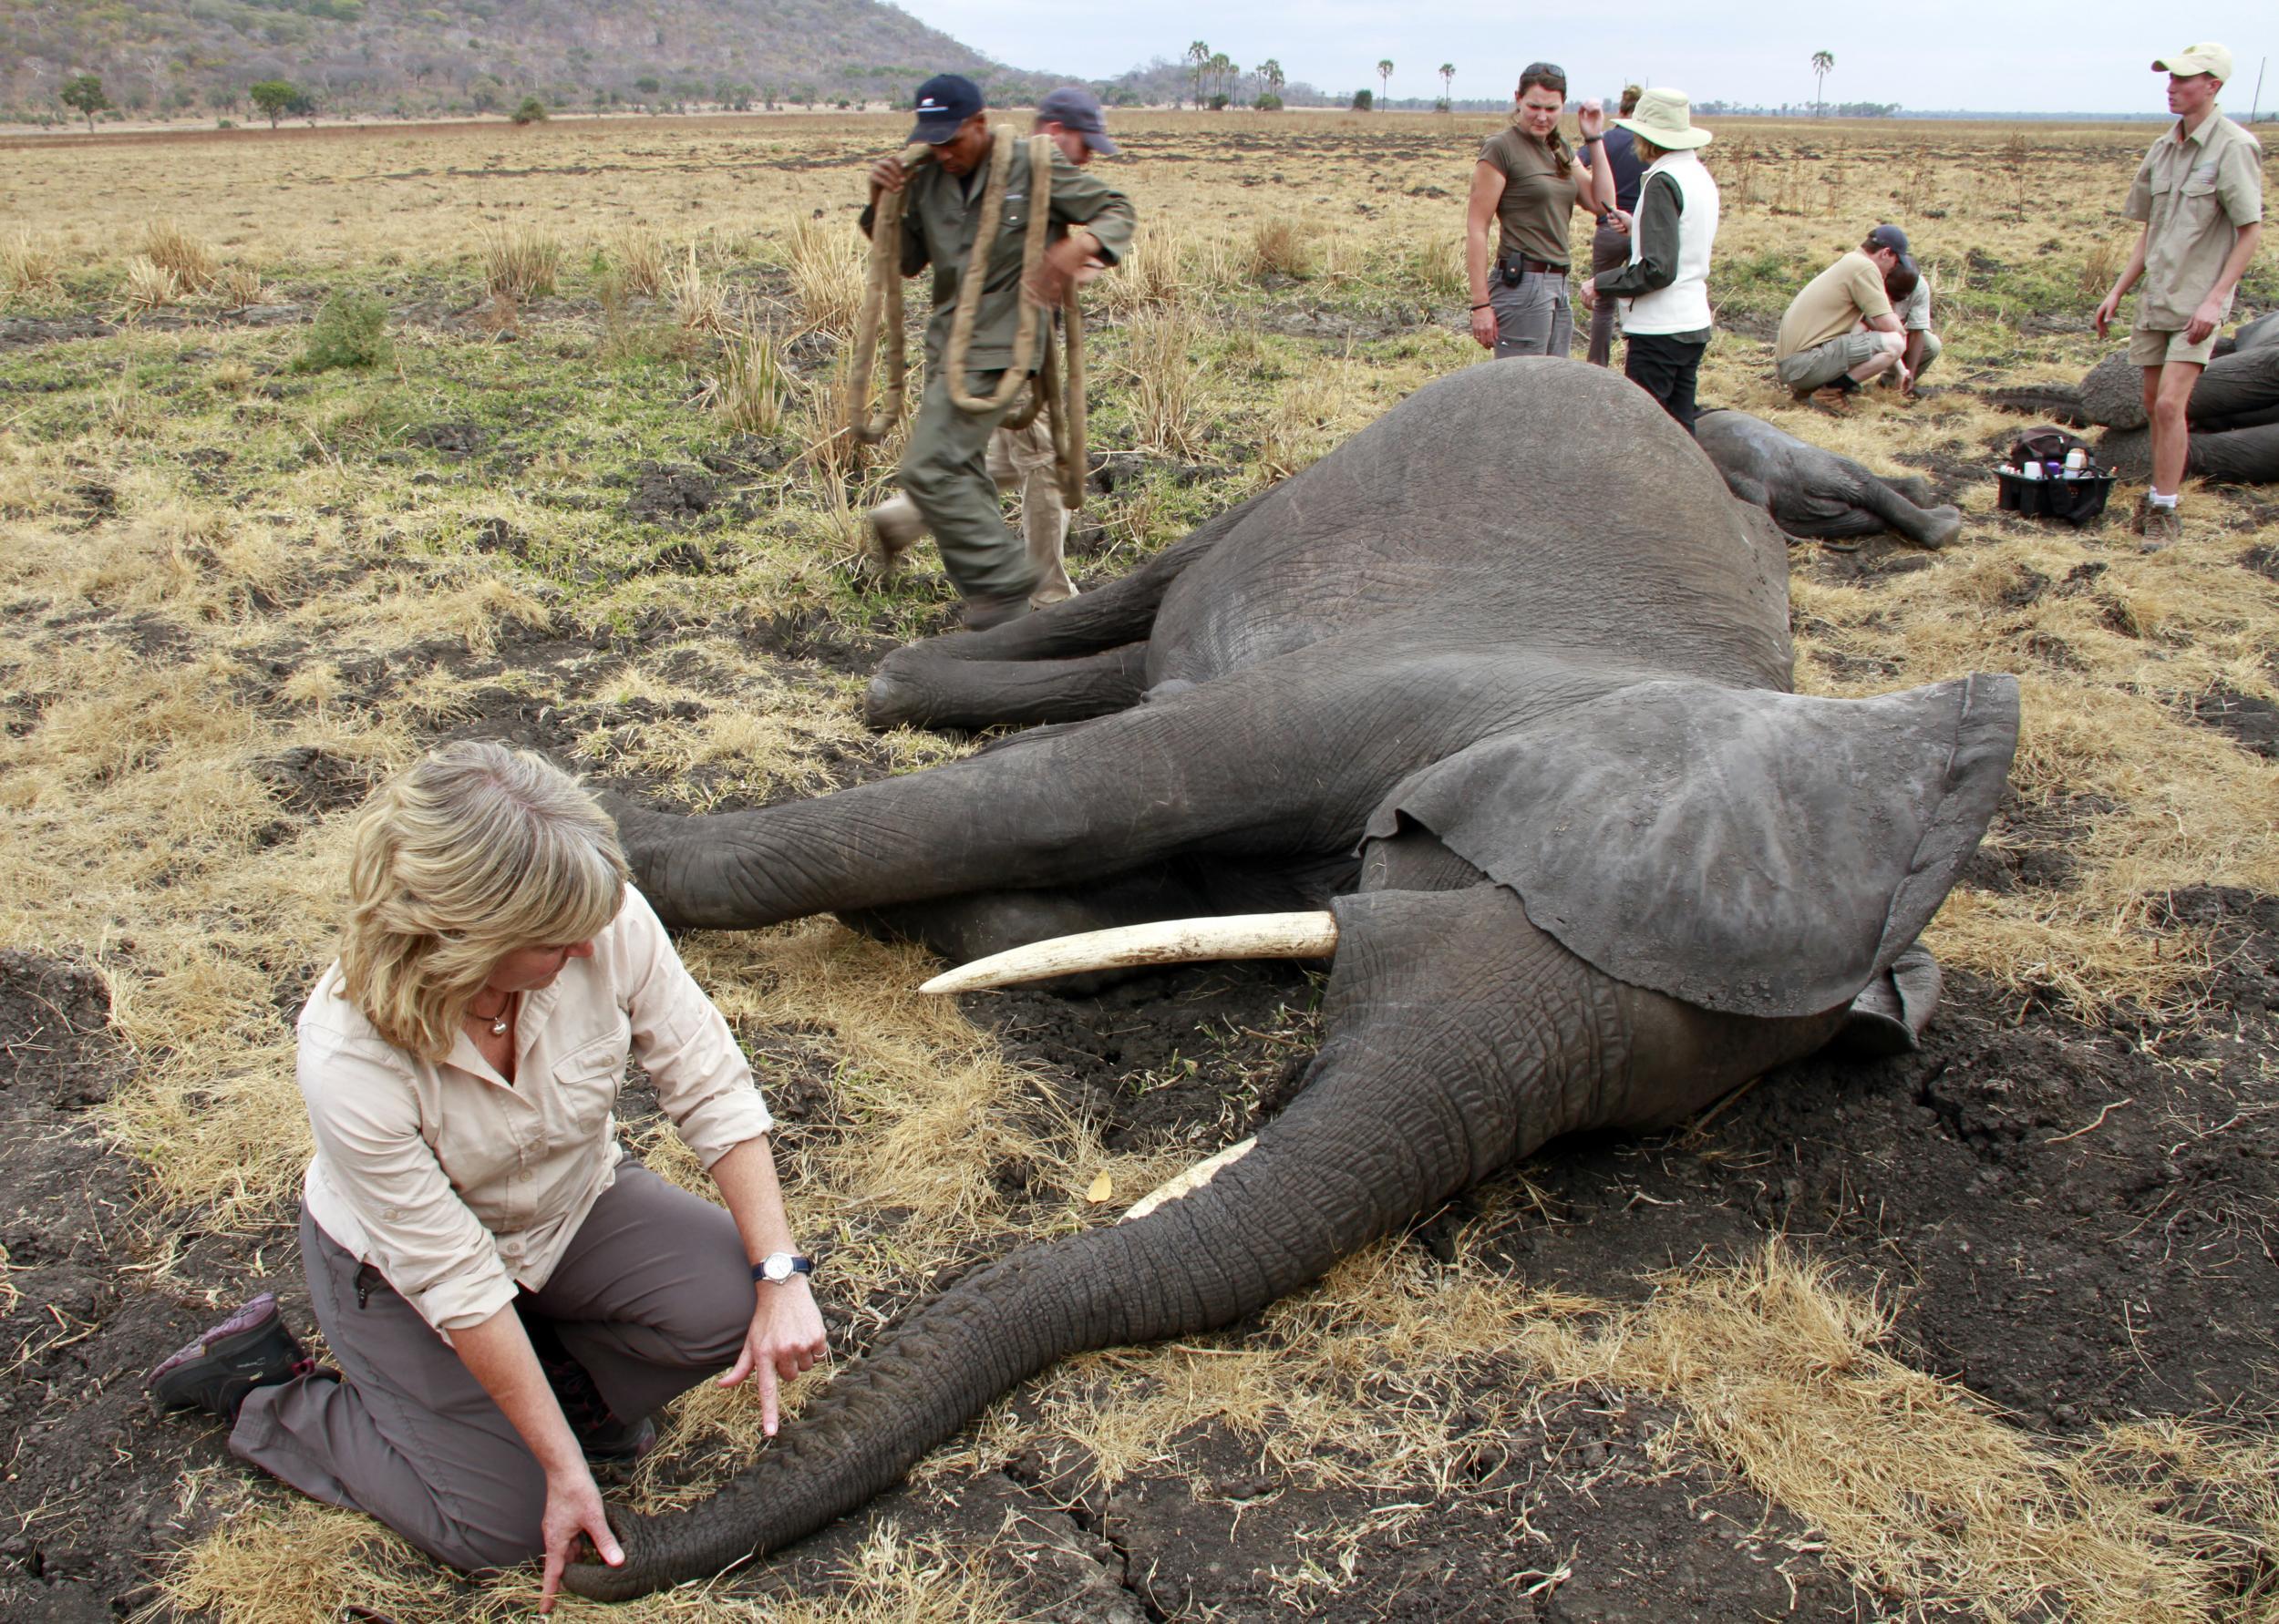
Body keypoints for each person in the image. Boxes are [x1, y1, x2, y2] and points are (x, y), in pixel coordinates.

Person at [148, 742, 827, 1612]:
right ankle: (270, 1393)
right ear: (459, 939)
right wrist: (559, 1468)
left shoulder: (598, 915)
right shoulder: (349, 1056)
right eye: (551, 939)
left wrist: (780, 1274)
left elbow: (708, 1081)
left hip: (568, 1206)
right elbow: (456, 1279)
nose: (588, 943)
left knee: (731, 1301)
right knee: (496, 1526)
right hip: (403, 1278)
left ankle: (530, 1395)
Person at [858, 74, 1137, 628]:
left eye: (952, 139)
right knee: (960, 468)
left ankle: (1004, 584)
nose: (944, 151)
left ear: (978, 125)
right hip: (948, 344)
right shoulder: (929, 178)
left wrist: (1074, 248)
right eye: (932, 140)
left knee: (929, 466)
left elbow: (1116, 209)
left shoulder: (1032, 165)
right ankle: (995, 601)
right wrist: (879, 202)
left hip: (1005, 345)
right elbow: (907, 259)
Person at [2093, 43, 2264, 545]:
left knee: (2171, 404)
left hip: (2197, 301)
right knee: (2151, 404)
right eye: (2169, 79)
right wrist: (2119, 289)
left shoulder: (2234, 147)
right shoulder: (2163, 147)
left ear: (2213, 85)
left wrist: (2215, 299)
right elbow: (2152, 228)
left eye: (2183, 80)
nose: (2172, 87)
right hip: (2158, 298)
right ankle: (2156, 494)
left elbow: (2250, 230)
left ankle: (2164, 508)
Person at [1579, 87, 1719, 433]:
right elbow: (1684, 239)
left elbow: (1658, 269)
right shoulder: (1698, 175)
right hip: (1692, 323)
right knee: (1681, 428)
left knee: (1645, 435)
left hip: (1660, 329)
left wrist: (1602, 283)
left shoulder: (1662, 181)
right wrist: (1637, 226)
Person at [1466, 61, 1619, 359]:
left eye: (1551, 109)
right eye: (1534, 106)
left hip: (1559, 283)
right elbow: (1477, 227)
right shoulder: (1501, 148)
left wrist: (1594, 139)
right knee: (1522, 390)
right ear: (1518, 99)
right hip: (1522, 285)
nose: (1541, 117)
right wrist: (1480, 304)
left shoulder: (1558, 147)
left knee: (1553, 388)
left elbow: (1603, 204)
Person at [1773, 225, 1920, 402]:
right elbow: (1887, 325)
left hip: (1792, 365)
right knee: (1894, 343)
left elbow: (1869, 324)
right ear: (1886, 253)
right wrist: (1902, 332)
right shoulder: (1865, 268)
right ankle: (1830, 394)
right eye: (1896, 262)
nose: (1893, 268)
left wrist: (1901, 370)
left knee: (1862, 328)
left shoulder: (1851, 261)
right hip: (1802, 366)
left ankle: (1809, 391)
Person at [1584, 84, 1647, 367]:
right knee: (1642, 298)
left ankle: (1598, 366)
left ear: (1621, 109)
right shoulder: (1648, 143)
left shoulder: (1607, 139)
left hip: (1609, 226)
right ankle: (1637, 364)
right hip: (1643, 231)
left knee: (1603, 303)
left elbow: (1576, 160)